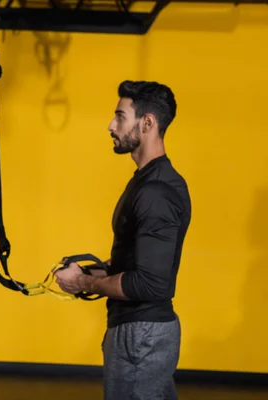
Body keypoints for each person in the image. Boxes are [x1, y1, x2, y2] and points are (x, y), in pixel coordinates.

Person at [55, 80, 192, 400]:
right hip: (138, 332)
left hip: (140, 335)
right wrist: (91, 273)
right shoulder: (148, 182)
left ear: (147, 123)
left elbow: (149, 284)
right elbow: (137, 265)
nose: (110, 125)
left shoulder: (156, 190)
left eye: (120, 116)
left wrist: (83, 284)